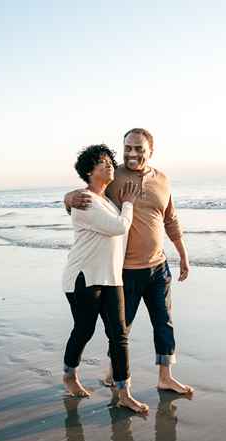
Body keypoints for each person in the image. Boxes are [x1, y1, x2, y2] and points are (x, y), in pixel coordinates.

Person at [64, 129, 193, 395]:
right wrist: (67, 198)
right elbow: (89, 193)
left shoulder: (163, 180)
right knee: (121, 329)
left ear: (151, 151)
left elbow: (171, 219)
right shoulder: (114, 176)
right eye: (128, 148)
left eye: (139, 148)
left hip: (158, 266)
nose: (132, 153)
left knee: (164, 322)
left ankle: (165, 376)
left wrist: (182, 253)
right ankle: (114, 372)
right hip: (125, 270)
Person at [61, 144, 149, 413]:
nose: (109, 165)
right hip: (84, 278)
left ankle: (124, 391)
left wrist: (121, 204)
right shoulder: (85, 201)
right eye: (102, 162)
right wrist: (129, 204)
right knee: (84, 330)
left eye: (110, 161)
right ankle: (69, 375)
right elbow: (118, 227)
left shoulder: (107, 201)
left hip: (112, 278)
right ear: (89, 171)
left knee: (119, 335)